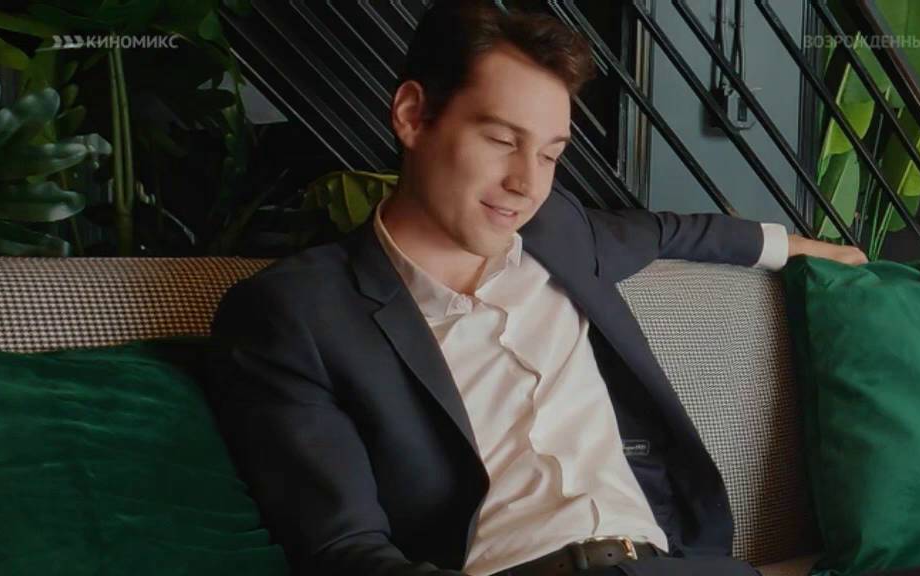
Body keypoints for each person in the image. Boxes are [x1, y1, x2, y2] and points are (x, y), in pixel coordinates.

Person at [206, 1, 867, 576]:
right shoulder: (299, 314)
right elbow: (343, 550)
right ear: (412, 115)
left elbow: (676, 232)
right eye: (502, 140)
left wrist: (806, 249)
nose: (527, 183)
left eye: (550, 154)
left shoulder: (561, 234)